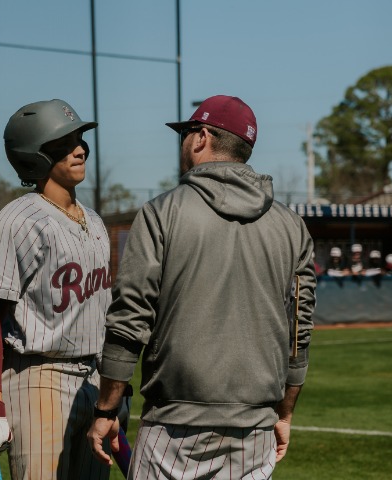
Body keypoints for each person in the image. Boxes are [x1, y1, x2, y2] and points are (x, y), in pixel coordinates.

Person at [87, 95, 317, 478]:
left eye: (186, 134)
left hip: (174, 427)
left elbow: (129, 318)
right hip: (255, 432)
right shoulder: (292, 227)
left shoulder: (161, 212)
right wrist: (285, 414)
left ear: (202, 137)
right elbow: (299, 334)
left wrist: (106, 409)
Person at [0, 99, 114, 479]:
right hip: (39, 379)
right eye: (65, 143)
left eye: (80, 140)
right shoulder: (18, 221)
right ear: (35, 155)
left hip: (93, 380)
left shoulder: (96, 223)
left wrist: (113, 392)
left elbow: (104, 314)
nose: (79, 150)